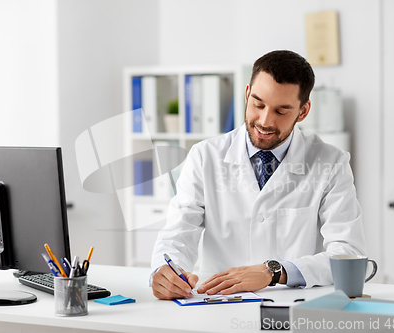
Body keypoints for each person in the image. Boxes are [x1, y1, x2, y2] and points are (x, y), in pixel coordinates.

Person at [150, 50, 367, 300]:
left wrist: (274, 272)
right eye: (258, 104)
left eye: (281, 111)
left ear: (303, 111)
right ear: (246, 95)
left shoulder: (331, 163)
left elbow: (347, 253)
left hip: (290, 304)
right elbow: (178, 232)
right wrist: (164, 272)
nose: (265, 121)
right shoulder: (204, 156)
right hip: (216, 304)